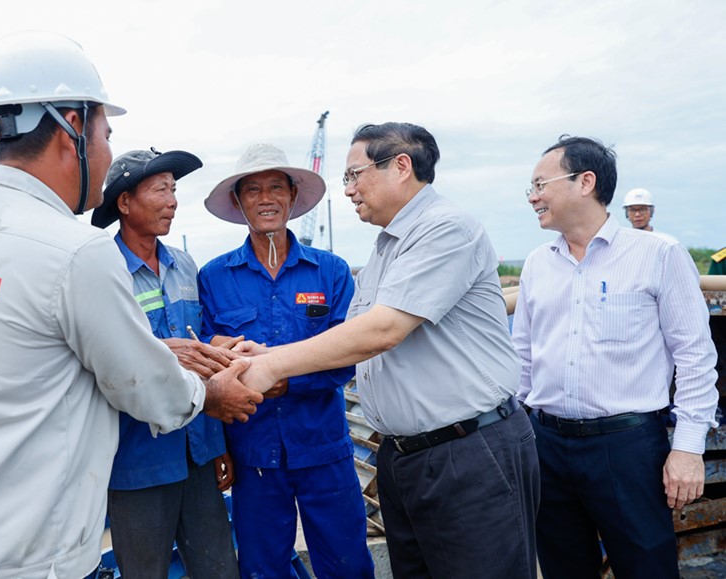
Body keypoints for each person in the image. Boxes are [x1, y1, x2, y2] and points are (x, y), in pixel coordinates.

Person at [0, 31, 262, 579]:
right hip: (24, 555)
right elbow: (150, 390)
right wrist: (213, 390)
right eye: (106, 132)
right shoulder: (73, 250)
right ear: (72, 126)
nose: (109, 151)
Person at [236, 124, 539, 579]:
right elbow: (353, 335)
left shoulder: (445, 229)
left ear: (400, 166)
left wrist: (270, 365)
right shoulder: (387, 247)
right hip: (407, 458)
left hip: (468, 453)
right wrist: (263, 354)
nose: (349, 190)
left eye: (354, 175)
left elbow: (383, 329)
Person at [513, 135, 719, 578]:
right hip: (546, 443)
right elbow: (523, 357)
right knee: (563, 566)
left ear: (585, 182)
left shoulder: (658, 254)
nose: (532, 197)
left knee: (646, 567)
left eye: (539, 184)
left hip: (626, 447)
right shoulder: (537, 264)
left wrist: (687, 449)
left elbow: (696, 357)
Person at [199, 143, 375, 578]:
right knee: (262, 567)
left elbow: (349, 353)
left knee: (347, 562)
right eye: (253, 190)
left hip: (324, 447)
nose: (266, 199)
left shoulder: (330, 271)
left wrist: (286, 380)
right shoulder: (214, 277)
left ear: (293, 197)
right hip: (252, 450)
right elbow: (203, 356)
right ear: (238, 203)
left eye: (276, 187)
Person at [91, 148, 238, 579]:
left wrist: (218, 444)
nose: (172, 200)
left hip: (197, 454)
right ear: (124, 202)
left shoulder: (184, 265)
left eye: (174, 190)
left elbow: (200, 349)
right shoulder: (103, 271)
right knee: (143, 572)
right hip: (136, 461)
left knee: (218, 569)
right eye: (160, 190)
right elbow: (100, 363)